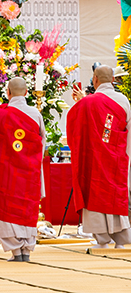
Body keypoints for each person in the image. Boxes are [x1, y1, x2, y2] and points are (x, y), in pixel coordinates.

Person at [67, 65, 131, 248]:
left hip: (93, 159)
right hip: (117, 159)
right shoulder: (123, 100)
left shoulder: (88, 102)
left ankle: (102, 239)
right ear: (113, 80)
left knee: (94, 195)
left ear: (94, 79)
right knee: (115, 197)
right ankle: (121, 240)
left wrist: (81, 102)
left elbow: (76, 127)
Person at [0, 77, 45, 262]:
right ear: (27, 92)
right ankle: (26, 249)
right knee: (27, 207)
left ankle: (15, 251)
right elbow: (42, 141)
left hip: (6, 170)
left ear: (7, 92)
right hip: (29, 169)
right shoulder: (35, 113)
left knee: (6, 206)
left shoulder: (0, 114)